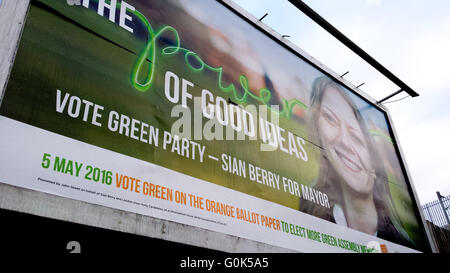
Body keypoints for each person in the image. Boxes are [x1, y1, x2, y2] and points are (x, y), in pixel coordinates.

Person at [300, 76, 414, 248]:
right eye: (330, 119)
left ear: (374, 164)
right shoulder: (310, 213)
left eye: (356, 137)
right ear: (318, 135)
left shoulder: (402, 245)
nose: (345, 141)